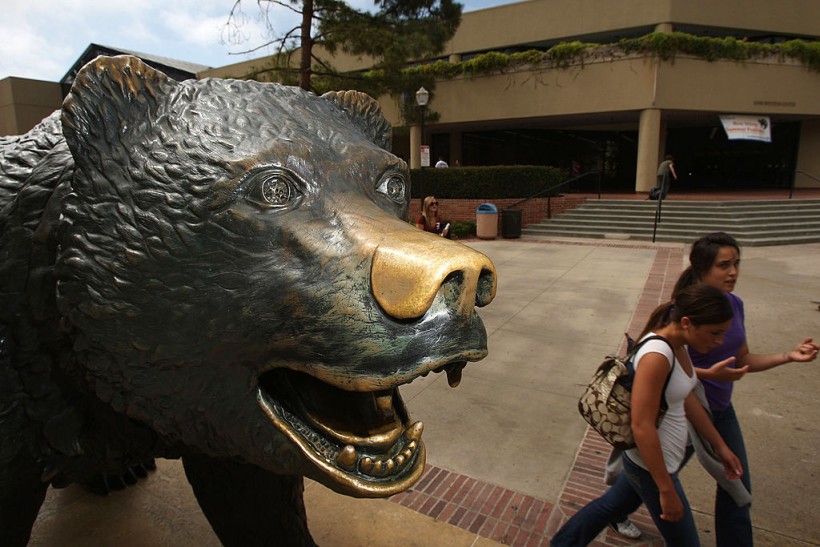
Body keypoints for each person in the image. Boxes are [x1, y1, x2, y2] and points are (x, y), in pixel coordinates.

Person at [611, 232, 819, 545]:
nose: (733, 272)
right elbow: (675, 378)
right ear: (702, 269)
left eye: (736, 263)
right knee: (652, 480)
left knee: (732, 490)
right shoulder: (681, 320)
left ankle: (609, 512)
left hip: (721, 410)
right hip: (687, 414)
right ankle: (600, 518)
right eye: (724, 265)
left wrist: (787, 356)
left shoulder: (734, 305)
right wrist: (716, 436)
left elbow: (742, 358)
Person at [551, 284, 744, 547]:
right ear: (687, 322)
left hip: (656, 465)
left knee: (609, 507)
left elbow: (687, 399)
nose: (719, 341)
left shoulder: (680, 344)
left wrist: (720, 446)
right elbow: (641, 426)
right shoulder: (657, 355)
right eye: (714, 333)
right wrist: (665, 488)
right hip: (652, 467)